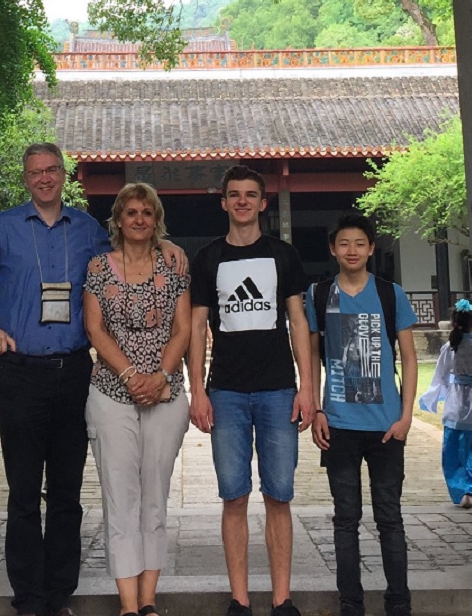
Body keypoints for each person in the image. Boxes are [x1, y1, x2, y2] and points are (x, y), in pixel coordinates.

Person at [0, 143, 186, 616]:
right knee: (24, 492)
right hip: (22, 373)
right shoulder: (5, 227)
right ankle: (30, 600)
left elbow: (132, 249)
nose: (45, 178)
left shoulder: (89, 230)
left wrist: (168, 244)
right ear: (26, 178)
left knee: (69, 493)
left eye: (52, 170)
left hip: (75, 372)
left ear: (64, 175)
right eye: (35, 172)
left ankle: (59, 595)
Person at [188, 165, 315, 616]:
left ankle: (282, 599)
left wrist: (306, 387)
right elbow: (197, 326)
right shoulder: (207, 258)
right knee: (234, 496)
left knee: (279, 495)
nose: (242, 201)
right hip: (225, 391)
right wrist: (197, 390)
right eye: (234, 195)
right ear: (223, 202)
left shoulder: (284, 255)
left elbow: (298, 322)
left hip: (279, 390)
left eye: (250, 195)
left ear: (263, 202)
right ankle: (239, 600)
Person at [82, 183, 191, 616]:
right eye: (131, 212)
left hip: (165, 394)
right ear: (119, 219)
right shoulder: (99, 266)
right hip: (112, 392)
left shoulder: (174, 264)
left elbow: (184, 329)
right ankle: (128, 604)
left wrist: (160, 376)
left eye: (147, 212)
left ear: (157, 218)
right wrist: (130, 376)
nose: (139, 219)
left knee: (154, 497)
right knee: (120, 497)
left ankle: (148, 601)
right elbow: (95, 328)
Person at [306, 211, 419, 616]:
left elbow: (407, 356)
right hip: (339, 424)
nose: (351, 250)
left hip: (387, 426)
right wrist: (317, 407)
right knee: (345, 520)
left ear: (371, 248)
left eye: (359, 243)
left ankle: (398, 602)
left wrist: (405, 417)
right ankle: (350, 604)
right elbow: (313, 353)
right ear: (333, 250)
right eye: (343, 244)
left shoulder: (391, 294)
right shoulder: (319, 294)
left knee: (390, 518)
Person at [419, 299, 472, 509]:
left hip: (456, 403)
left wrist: (433, 398)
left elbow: (440, 377)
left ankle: (463, 490)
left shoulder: (450, 347)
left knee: (455, 449)